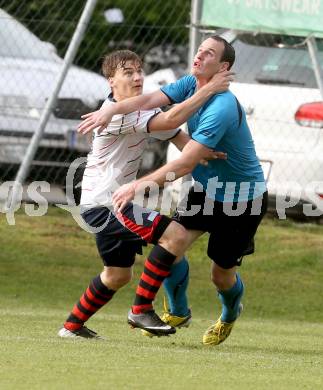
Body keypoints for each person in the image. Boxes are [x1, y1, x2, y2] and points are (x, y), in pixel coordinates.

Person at [78, 36, 268, 346]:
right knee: (172, 239)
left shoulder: (220, 107)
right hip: (207, 191)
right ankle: (169, 311)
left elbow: (183, 162)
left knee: (221, 276)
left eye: (208, 53)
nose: (199, 54)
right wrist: (110, 110)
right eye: (199, 49)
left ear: (223, 67)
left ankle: (229, 314)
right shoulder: (191, 84)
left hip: (242, 201)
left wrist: (138, 185)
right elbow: (150, 101)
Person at [58, 49, 231, 339]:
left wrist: (200, 151)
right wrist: (210, 88)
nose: (138, 76)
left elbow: (175, 135)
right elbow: (166, 122)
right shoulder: (113, 114)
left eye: (140, 70)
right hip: (105, 204)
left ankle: (72, 326)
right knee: (174, 235)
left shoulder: (138, 109)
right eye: (128, 72)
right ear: (111, 81)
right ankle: (141, 309)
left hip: (106, 202)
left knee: (117, 275)